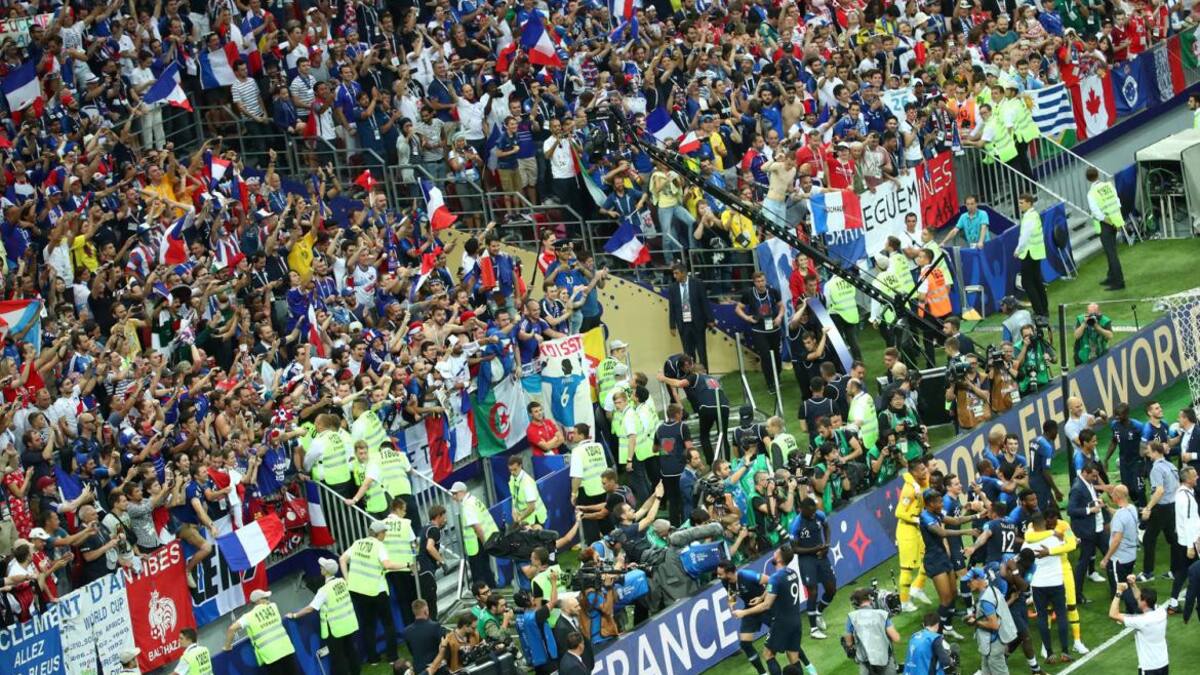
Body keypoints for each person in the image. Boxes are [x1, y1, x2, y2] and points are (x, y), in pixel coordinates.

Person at [732, 545, 818, 675]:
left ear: (779, 559)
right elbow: (775, 589)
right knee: (793, 657)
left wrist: (743, 612)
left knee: (768, 654)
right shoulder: (792, 573)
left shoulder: (775, 578)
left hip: (781, 623)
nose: (773, 554)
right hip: (796, 621)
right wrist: (761, 597)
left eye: (775, 553)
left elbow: (766, 606)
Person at [339, 520, 406, 665]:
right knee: (388, 623)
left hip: (358, 591)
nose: (385, 535)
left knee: (368, 625)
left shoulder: (357, 543)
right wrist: (407, 564)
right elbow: (387, 565)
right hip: (377, 590)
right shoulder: (379, 545)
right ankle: (392, 657)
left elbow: (342, 559)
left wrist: (347, 579)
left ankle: (372, 658)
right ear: (379, 533)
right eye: (384, 532)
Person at [918, 489, 977, 640]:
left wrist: (976, 515)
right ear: (930, 503)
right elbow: (942, 533)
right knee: (945, 600)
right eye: (939, 501)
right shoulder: (925, 517)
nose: (942, 503)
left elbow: (956, 521)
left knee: (952, 595)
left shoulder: (936, 514)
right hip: (934, 561)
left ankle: (947, 627)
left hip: (943, 557)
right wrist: (966, 532)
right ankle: (933, 632)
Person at [287, 557, 361, 675]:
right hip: (348, 624)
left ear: (326, 571)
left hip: (334, 629)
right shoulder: (342, 582)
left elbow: (311, 608)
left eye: (322, 567)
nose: (320, 568)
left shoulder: (324, 590)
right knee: (351, 651)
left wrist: (294, 615)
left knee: (338, 658)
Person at [1022, 511, 1074, 664]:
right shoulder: (1054, 539)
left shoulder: (1027, 543)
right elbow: (1072, 544)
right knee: (1062, 616)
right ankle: (1065, 652)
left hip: (1038, 585)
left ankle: (1050, 654)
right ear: (1044, 522)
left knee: (1042, 618)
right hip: (1056, 582)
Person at [792, 498, 837, 639]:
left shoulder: (819, 515)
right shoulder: (796, 524)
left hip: (821, 556)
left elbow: (827, 527)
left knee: (831, 589)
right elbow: (794, 549)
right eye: (810, 512)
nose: (813, 515)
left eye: (814, 511)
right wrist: (814, 549)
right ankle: (813, 629)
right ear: (802, 509)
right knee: (813, 591)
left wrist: (827, 545)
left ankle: (818, 612)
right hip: (806, 559)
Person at [224, 590, 298, 674]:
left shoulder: (248, 617)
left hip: (270, 656)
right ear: (259, 601)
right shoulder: (273, 606)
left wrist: (227, 646)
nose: (268, 600)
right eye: (265, 598)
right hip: (286, 649)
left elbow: (231, 629)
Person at [719, 560, 772, 675]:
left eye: (720, 574)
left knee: (784, 634)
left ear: (728, 573)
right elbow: (732, 593)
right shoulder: (725, 582)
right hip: (750, 610)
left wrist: (762, 597)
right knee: (745, 644)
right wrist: (731, 602)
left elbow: (772, 581)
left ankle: (805, 663)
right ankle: (763, 673)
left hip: (766, 607)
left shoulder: (747, 575)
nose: (718, 576)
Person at [736, 271, 785, 395]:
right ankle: (770, 383)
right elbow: (738, 308)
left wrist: (779, 317)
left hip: (774, 328)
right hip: (758, 329)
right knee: (766, 356)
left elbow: (781, 306)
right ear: (754, 282)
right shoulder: (749, 293)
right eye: (758, 281)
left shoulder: (773, 291)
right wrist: (747, 318)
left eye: (762, 280)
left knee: (777, 355)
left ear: (765, 280)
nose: (761, 283)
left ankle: (777, 376)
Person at [963, 568, 1017, 675]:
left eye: (970, 581)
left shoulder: (985, 600)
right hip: (992, 642)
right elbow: (995, 612)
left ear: (978, 579)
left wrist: (975, 622)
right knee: (986, 670)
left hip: (993, 644)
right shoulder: (992, 590)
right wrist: (975, 616)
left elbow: (994, 624)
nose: (968, 584)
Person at [1109, 577, 1168, 675]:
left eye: (1140, 598)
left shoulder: (1141, 621)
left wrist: (1118, 592)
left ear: (1144, 602)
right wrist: (1133, 585)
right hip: (1163, 663)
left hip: (1149, 667)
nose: (1137, 598)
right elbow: (1139, 597)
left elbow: (1113, 614)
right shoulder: (1161, 611)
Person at [895, 458, 933, 612]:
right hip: (907, 531)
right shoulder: (909, 490)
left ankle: (917, 587)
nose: (925, 472)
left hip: (918, 529)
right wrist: (917, 519)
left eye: (925, 468)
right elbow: (898, 512)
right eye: (922, 470)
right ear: (914, 473)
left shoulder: (922, 483)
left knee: (929, 556)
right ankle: (904, 602)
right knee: (907, 568)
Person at [1068, 462, 1110, 599]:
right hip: (1087, 531)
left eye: (1096, 476)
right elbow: (1071, 510)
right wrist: (1090, 510)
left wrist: (1096, 502)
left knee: (1110, 557)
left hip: (1097, 528)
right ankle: (1076, 595)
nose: (1095, 479)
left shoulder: (1088, 483)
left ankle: (1117, 590)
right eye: (1093, 476)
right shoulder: (1077, 488)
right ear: (1085, 473)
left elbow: (1089, 500)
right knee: (1083, 562)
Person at [1141, 441, 1181, 583]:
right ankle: (1175, 571)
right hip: (1172, 506)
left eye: (1149, 450)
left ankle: (1147, 573)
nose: (1147, 452)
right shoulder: (1171, 466)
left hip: (1161, 508)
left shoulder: (1156, 469)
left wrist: (1148, 507)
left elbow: (1159, 491)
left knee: (1148, 539)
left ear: (1156, 452)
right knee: (1173, 539)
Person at [450, 481, 498, 587]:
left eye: (455, 493)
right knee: (486, 569)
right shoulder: (474, 500)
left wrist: (485, 544)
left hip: (477, 544)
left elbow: (477, 527)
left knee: (479, 573)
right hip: (483, 540)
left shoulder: (467, 506)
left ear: (462, 492)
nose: (453, 497)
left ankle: (485, 595)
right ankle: (492, 589)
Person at [1101, 484, 1141, 611]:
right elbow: (1120, 513)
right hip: (1131, 555)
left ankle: (1128, 611)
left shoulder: (1119, 516)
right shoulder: (1131, 508)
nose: (1111, 495)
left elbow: (1117, 539)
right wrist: (1107, 508)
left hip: (1119, 558)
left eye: (1112, 493)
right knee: (1129, 583)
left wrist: (1106, 558)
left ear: (1117, 496)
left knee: (1120, 587)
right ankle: (1133, 608)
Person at [843, 587, 901, 675]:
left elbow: (849, 642)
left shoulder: (852, 617)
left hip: (866, 664)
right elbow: (896, 638)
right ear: (870, 599)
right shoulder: (882, 615)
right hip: (885, 660)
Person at [667, 262, 715, 369]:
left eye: (676, 273)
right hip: (683, 324)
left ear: (683, 273)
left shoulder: (697, 283)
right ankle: (691, 375)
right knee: (688, 352)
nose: (674, 276)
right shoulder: (672, 288)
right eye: (673, 274)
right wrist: (672, 325)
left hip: (697, 323)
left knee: (701, 350)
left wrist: (710, 319)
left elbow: (704, 302)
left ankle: (704, 374)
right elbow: (672, 308)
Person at [1086, 168, 1126, 290]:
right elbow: (1117, 202)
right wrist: (1115, 222)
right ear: (1098, 175)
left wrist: (1109, 222)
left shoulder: (1091, 193)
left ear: (1088, 179)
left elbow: (1096, 212)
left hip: (1105, 223)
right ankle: (1111, 277)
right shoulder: (1109, 185)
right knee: (1111, 251)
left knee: (1111, 253)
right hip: (1115, 220)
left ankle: (1119, 282)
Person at [569, 423, 610, 543]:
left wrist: (573, 493)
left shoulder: (577, 451)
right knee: (605, 518)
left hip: (587, 492)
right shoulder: (598, 446)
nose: (573, 436)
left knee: (589, 523)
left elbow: (577, 476)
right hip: (603, 488)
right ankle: (612, 544)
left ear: (582, 435)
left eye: (575, 433)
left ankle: (595, 552)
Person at [382, 497, 419, 626]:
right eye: (403, 510)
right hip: (406, 567)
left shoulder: (382, 525)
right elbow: (414, 545)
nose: (405, 513)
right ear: (397, 509)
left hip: (391, 569)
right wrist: (415, 562)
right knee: (414, 600)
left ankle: (409, 630)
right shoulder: (405, 524)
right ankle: (418, 627)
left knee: (403, 603)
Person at [1014, 193, 1049, 318]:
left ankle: (1039, 311)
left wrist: (1018, 250)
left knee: (1027, 282)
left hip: (1029, 253)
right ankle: (1044, 309)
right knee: (1037, 281)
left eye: (1021, 203)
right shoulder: (1034, 215)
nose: (1020, 205)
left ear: (1029, 203)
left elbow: (1025, 236)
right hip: (1037, 252)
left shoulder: (1029, 217)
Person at [417, 505, 449, 621]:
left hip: (419, 570)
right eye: (444, 516)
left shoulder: (425, 528)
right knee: (431, 604)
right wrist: (442, 562)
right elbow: (429, 547)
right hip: (426, 571)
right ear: (438, 516)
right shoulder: (434, 529)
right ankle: (433, 627)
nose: (445, 519)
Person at [508, 456, 546, 527]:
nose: (512, 472)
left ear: (520, 466)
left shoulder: (527, 483)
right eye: (510, 470)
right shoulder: (512, 478)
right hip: (525, 518)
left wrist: (520, 518)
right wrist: (513, 510)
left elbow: (532, 507)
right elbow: (514, 496)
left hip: (536, 518)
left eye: (515, 469)